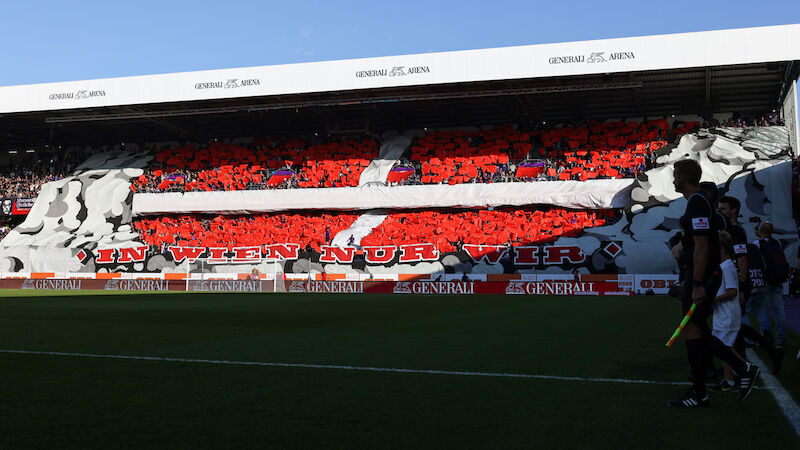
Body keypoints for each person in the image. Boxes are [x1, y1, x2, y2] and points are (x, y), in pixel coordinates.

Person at [668, 159, 759, 407]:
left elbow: (701, 245)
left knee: (694, 330)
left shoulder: (697, 201)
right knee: (695, 331)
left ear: (684, 177)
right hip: (702, 276)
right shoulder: (697, 202)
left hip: (703, 277)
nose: (673, 179)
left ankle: (733, 373)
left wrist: (696, 282)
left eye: (676, 175)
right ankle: (703, 390)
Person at [743, 221, 787, 370]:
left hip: (764, 280)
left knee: (756, 307)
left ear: (759, 231)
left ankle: (763, 335)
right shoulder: (778, 243)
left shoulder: (757, 243)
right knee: (779, 310)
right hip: (778, 280)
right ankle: (780, 339)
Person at [711, 232, 741, 391]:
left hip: (727, 314)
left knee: (724, 349)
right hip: (723, 314)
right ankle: (742, 371)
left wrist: (712, 299)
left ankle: (731, 380)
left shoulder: (727, 266)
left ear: (721, 248)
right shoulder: (725, 265)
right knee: (724, 348)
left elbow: (732, 291)